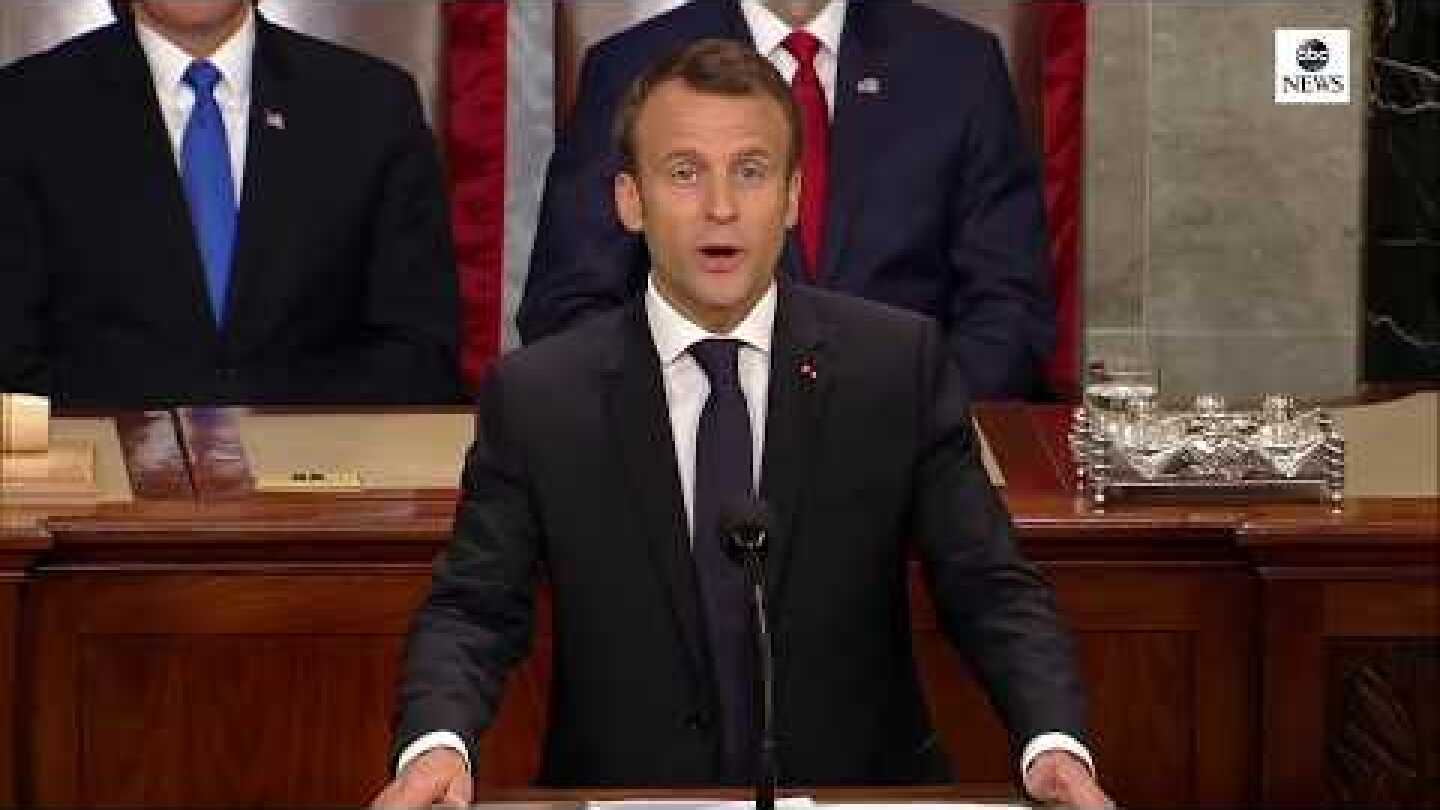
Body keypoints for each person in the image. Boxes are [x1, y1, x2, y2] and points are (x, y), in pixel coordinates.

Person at [375, 40, 1109, 810]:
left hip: (852, 795)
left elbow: (990, 586)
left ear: (792, 197)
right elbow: (474, 608)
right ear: (630, 199)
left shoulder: (894, 366)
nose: (720, 207)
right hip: (625, 795)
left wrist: (1052, 743)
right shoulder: (541, 395)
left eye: (751, 172)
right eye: (685, 172)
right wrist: (437, 745)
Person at [519, 0, 1056, 400]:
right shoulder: (632, 66)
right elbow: (568, 306)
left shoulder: (961, 67)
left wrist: (906, 422)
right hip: (691, 452)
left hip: (908, 456)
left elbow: (1008, 309)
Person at [0, 0, 461, 406]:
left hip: (328, 483)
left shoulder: (371, 105)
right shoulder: (25, 109)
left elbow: (419, 348)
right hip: (100, 485)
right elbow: (12, 356)